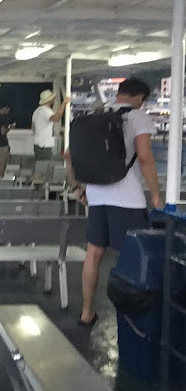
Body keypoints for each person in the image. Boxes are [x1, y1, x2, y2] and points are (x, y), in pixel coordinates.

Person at [66, 78, 160, 327]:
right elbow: (144, 156)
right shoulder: (138, 117)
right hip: (128, 199)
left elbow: (69, 155)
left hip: (97, 196)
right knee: (132, 257)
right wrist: (156, 196)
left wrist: (77, 186)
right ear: (139, 97)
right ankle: (131, 320)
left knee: (93, 254)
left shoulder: (95, 115)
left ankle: (87, 312)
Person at [32, 90, 70, 160]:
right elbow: (56, 118)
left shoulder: (36, 111)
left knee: (40, 164)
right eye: (53, 98)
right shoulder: (46, 111)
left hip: (37, 144)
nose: (54, 99)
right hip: (45, 145)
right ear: (49, 100)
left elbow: (33, 128)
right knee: (46, 164)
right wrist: (63, 104)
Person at [0, 103, 13, 177]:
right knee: (2, 166)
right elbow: (3, 131)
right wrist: (10, 128)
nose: (8, 112)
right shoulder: (3, 118)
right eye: (8, 110)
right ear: (5, 108)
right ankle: (0, 180)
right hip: (2, 144)